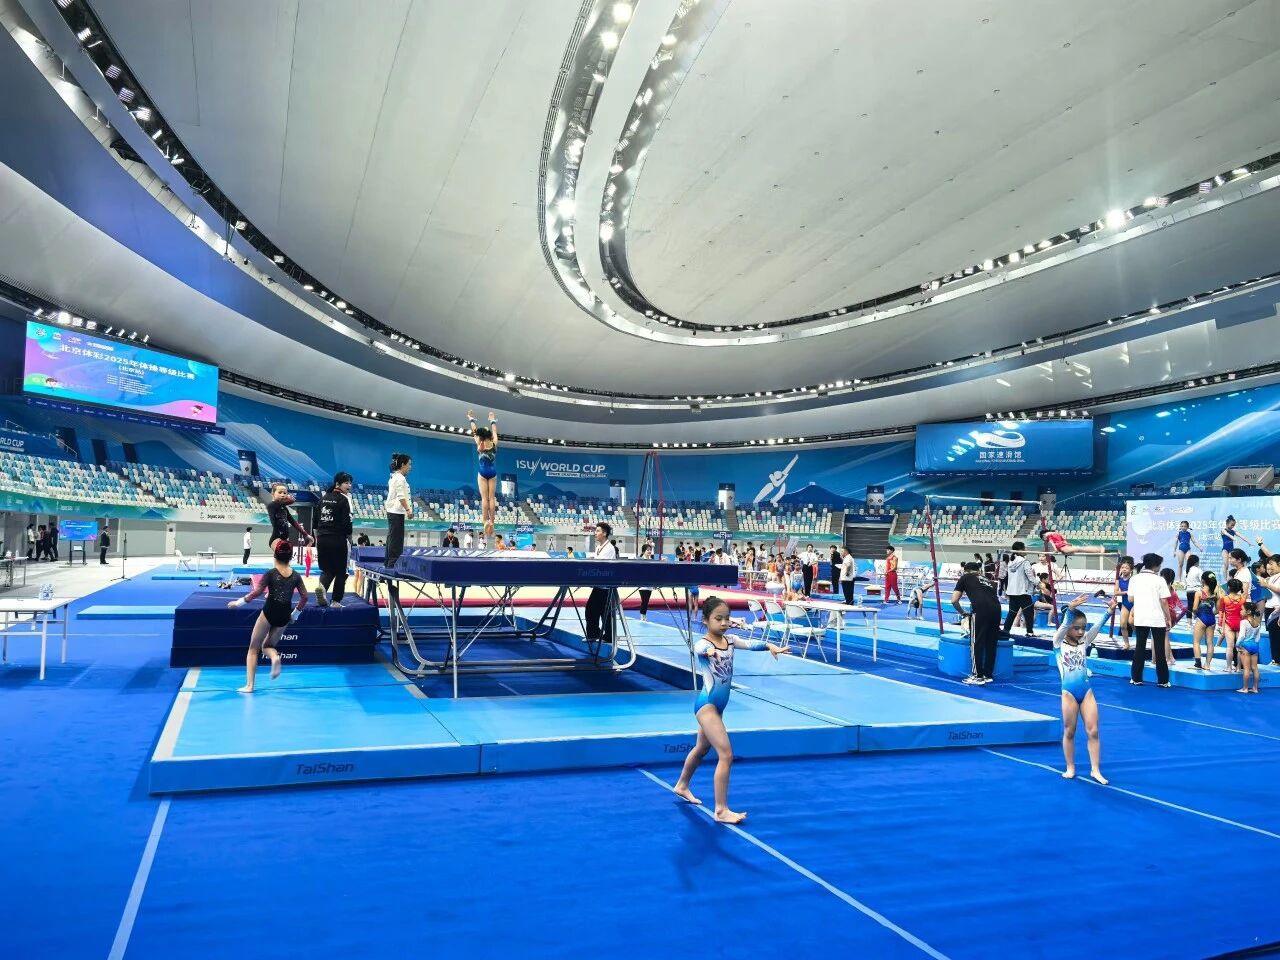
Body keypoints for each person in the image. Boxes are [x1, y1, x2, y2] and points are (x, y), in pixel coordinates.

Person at [671, 596, 789, 823]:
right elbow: (701, 649)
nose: (724, 623)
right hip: (707, 705)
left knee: (701, 749)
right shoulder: (704, 643)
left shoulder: (731, 641)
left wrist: (769, 646)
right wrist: (709, 653)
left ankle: (682, 785)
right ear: (706, 620)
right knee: (726, 755)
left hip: (718, 706)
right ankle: (721, 810)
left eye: (727, 618)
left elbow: (752, 644)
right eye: (718, 619)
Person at [226, 540, 307, 694]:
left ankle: (250, 686)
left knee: (253, 648)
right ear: (290, 557)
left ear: (275, 556)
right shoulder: (296, 576)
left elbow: (256, 592)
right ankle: (275, 658)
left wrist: (238, 603)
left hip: (270, 611)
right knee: (268, 647)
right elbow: (304, 597)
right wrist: (295, 615)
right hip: (285, 614)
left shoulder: (271, 573)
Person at [1054, 593, 1116, 784]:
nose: (1081, 632)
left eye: (1083, 628)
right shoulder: (1058, 643)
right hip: (1069, 693)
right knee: (1070, 731)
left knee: (1093, 731)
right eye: (1077, 628)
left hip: (1086, 692)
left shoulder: (1084, 641)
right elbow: (1064, 625)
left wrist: (1109, 611)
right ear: (1068, 628)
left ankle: (1095, 770)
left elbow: (1097, 627)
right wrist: (1071, 609)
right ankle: (1070, 767)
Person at [952, 561, 1002, 684]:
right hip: (997, 609)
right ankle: (988, 675)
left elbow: (954, 600)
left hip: (981, 609)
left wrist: (963, 613)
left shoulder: (965, 577)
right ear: (978, 570)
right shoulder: (987, 579)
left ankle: (977, 676)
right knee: (991, 642)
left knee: (976, 642)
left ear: (966, 571)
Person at [1129, 552, 1172, 687]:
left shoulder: (1135, 579)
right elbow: (1164, 601)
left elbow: (1130, 599)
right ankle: (1163, 681)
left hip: (1141, 617)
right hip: (1157, 618)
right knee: (1159, 650)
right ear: (1156, 565)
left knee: (1139, 648)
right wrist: (1168, 618)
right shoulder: (1160, 580)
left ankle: (1136, 678)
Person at [314, 471, 354, 608]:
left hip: (322, 539)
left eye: (350, 483)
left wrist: (317, 538)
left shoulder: (323, 498)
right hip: (338, 539)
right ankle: (336, 601)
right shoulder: (344, 499)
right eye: (346, 483)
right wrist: (349, 539)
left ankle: (322, 588)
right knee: (342, 571)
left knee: (327, 570)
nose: (349, 485)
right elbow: (347, 522)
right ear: (338, 483)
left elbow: (315, 521)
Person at [584, 522, 618, 652]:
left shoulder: (609, 548)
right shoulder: (599, 547)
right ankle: (594, 634)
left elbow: (600, 564)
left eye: (598, 531)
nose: (595, 533)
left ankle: (607, 637)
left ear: (604, 533)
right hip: (599, 585)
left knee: (604, 612)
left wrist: (592, 561)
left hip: (606, 586)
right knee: (592, 609)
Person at [467, 409, 499, 537]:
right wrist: (492, 420)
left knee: (484, 498)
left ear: (481, 436)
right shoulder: (494, 443)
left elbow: (474, 430)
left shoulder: (479, 444)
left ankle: (485, 521)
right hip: (492, 472)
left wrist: (471, 418)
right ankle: (492, 521)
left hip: (482, 472)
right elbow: (495, 431)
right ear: (489, 435)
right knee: (492, 497)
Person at [1003, 541, 1037, 638]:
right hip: (1023, 592)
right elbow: (1030, 577)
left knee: (1012, 613)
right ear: (1020, 550)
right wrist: (1039, 584)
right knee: (1029, 613)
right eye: (1025, 548)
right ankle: (1030, 632)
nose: (1026, 550)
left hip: (1012, 592)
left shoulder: (1011, 562)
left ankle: (1005, 631)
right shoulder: (1024, 562)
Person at [385, 453, 413, 569]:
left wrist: (395, 460)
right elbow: (401, 496)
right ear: (402, 465)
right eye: (409, 464)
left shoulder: (395, 476)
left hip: (394, 511)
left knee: (392, 537)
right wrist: (408, 510)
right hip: (396, 512)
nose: (410, 467)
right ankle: (393, 565)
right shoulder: (399, 478)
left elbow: (392, 467)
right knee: (396, 540)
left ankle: (388, 563)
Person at [1213, 578, 1246, 674]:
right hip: (1240, 624)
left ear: (1228, 587)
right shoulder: (1243, 600)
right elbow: (1244, 614)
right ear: (1239, 588)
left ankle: (1229, 668)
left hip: (1229, 623)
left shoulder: (1224, 599)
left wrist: (1220, 625)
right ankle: (1238, 667)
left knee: (1230, 647)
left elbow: (1221, 612)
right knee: (1239, 648)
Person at [267, 483, 312, 551]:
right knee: (282, 556)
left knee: (286, 557)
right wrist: (289, 500)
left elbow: (293, 522)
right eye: (280, 492)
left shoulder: (284, 507)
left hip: (284, 539)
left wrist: (306, 534)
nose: (282, 495)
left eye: (285, 493)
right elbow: (275, 523)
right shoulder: (271, 506)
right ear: (273, 493)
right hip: (276, 538)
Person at [1190, 571, 1220, 670]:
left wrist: (1196, 614)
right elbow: (1217, 610)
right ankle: (1207, 665)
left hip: (1202, 619)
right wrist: (1210, 613)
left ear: (1202, 581)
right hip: (1211, 619)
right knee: (1210, 643)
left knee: (1196, 642)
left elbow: (1194, 608)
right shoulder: (1216, 594)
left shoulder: (1199, 593)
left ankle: (1198, 664)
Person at [1236, 602, 1263, 694]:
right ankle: (1255, 688)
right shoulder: (1257, 623)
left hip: (1245, 646)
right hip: (1254, 646)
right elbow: (1258, 638)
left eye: (1242, 609)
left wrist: (1237, 645)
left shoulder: (1244, 622)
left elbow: (1242, 636)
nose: (1240, 611)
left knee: (1246, 668)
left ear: (1248, 612)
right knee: (1255, 668)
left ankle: (1245, 688)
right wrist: (1255, 645)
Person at [1113, 556, 1134, 651]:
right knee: (1122, 625)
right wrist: (1126, 592)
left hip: (1134, 604)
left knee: (1132, 623)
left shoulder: (1133, 579)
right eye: (1122, 567)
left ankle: (1141, 638)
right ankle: (1127, 644)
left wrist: (1127, 592)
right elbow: (1116, 592)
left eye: (1126, 568)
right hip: (1125, 604)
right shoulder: (1118, 579)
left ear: (1131, 570)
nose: (1124, 569)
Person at [638, 542, 655, 621]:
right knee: (644, 600)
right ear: (643, 551)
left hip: (650, 585)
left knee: (647, 601)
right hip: (642, 585)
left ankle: (644, 614)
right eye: (647, 550)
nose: (649, 551)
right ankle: (642, 615)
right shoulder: (640, 560)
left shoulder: (652, 560)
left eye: (650, 550)